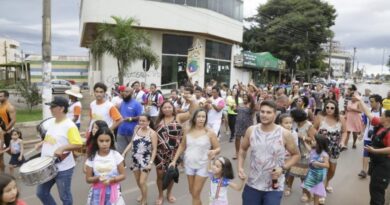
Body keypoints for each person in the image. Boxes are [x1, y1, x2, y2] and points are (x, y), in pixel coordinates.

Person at [238, 100, 300, 205]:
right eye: (262, 112)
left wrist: (283, 168)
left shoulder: (284, 134)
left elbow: (296, 155)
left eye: (268, 112)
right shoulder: (251, 130)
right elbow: (243, 149)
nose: (264, 115)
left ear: (275, 115)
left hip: (274, 187)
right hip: (253, 184)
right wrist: (240, 167)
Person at [35, 96, 83, 205]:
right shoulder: (52, 122)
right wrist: (41, 143)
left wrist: (63, 148)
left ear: (61, 108)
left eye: (52, 107)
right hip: (48, 166)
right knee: (41, 192)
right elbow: (52, 139)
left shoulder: (70, 126)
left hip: (63, 168)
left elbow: (78, 143)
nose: (50, 109)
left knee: (64, 196)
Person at [170, 108, 221, 205]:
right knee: (192, 192)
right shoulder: (188, 130)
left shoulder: (210, 132)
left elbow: (218, 148)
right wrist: (174, 160)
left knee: (195, 193)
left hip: (204, 166)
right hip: (189, 164)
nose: (201, 119)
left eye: (203, 117)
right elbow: (182, 146)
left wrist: (214, 151)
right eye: (199, 116)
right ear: (194, 118)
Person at [154, 94, 198, 205]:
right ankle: (160, 195)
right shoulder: (157, 120)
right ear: (161, 109)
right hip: (160, 153)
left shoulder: (178, 117)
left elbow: (192, 113)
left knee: (171, 173)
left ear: (173, 108)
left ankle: (169, 193)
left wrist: (191, 101)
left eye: (169, 107)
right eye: (165, 107)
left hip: (174, 153)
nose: (167, 109)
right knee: (159, 175)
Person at [355, 93, 390, 205]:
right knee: (374, 188)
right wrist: (360, 100)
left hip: (384, 165)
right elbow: (368, 113)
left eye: (382, 115)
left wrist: (374, 151)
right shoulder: (381, 124)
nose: (380, 116)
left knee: (377, 191)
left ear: (388, 119)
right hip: (376, 163)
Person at [314, 100, 347, 203]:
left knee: (332, 170)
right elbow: (314, 129)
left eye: (332, 108)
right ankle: (321, 190)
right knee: (322, 169)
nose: (329, 110)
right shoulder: (320, 117)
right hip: (321, 147)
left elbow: (345, 131)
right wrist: (316, 139)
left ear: (336, 109)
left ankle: (327, 182)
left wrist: (342, 142)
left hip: (335, 148)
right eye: (327, 107)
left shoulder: (341, 118)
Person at [122, 114, 158, 205]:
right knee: (138, 181)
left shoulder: (152, 133)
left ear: (148, 122)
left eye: (143, 121)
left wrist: (150, 162)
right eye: (140, 120)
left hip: (145, 161)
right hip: (135, 160)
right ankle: (142, 194)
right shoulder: (137, 128)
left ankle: (144, 200)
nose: (141, 122)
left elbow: (154, 149)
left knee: (142, 182)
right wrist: (124, 153)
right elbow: (131, 143)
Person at [85, 127, 126, 205]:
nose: (104, 143)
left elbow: (123, 175)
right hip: (97, 193)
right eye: (101, 141)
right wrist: (98, 178)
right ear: (96, 141)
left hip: (113, 192)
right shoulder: (92, 157)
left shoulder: (116, 155)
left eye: (107, 141)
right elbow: (88, 179)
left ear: (111, 141)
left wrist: (111, 180)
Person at [285, 109, 316, 202]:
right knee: (291, 171)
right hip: (292, 151)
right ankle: (289, 187)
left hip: (304, 153)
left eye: (292, 117)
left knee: (303, 174)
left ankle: (305, 192)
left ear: (297, 117)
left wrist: (301, 136)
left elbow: (313, 139)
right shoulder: (293, 124)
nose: (291, 118)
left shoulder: (308, 125)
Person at [359, 94, 383, 179]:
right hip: (368, 136)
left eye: (372, 102)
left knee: (377, 155)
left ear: (378, 102)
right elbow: (364, 123)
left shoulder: (384, 112)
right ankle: (364, 171)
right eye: (370, 102)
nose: (370, 103)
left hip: (379, 138)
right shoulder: (368, 110)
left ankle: (375, 171)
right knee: (365, 153)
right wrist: (362, 133)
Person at [302, 134, 330, 205]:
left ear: (319, 143)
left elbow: (327, 165)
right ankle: (311, 198)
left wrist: (317, 163)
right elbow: (308, 148)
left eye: (314, 140)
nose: (312, 141)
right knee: (305, 187)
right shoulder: (313, 150)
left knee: (316, 190)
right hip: (311, 172)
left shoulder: (324, 154)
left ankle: (315, 203)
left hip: (319, 174)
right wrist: (304, 141)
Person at [116, 87, 143, 154]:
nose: (124, 93)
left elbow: (140, 117)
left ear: (132, 93)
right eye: (124, 91)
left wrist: (130, 119)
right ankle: (122, 165)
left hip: (132, 133)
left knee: (133, 154)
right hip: (121, 132)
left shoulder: (137, 104)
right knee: (120, 154)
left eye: (127, 92)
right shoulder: (122, 102)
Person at [233, 93, 255, 160]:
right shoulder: (240, 104)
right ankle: (237, 152)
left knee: (248, 140)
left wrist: (245, 90)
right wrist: (238, 92)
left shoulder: (251, 105)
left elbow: (252, 99)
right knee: (237, 138)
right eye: (243, 97)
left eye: (246, 97)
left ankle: (248, 152)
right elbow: (235, 110)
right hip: (238, 124)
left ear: (249, 98)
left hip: (247, 125)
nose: (245, 98)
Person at [0, 90, 16, 172]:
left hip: (6, 132)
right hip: (1, 133)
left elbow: (13, 120)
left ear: (6, 97)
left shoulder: (10, 107)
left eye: (1, 96)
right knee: (1, 155)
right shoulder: (1, 106)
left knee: (12, 152)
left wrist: (7, 130)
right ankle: (2, 174)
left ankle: (22, 161)